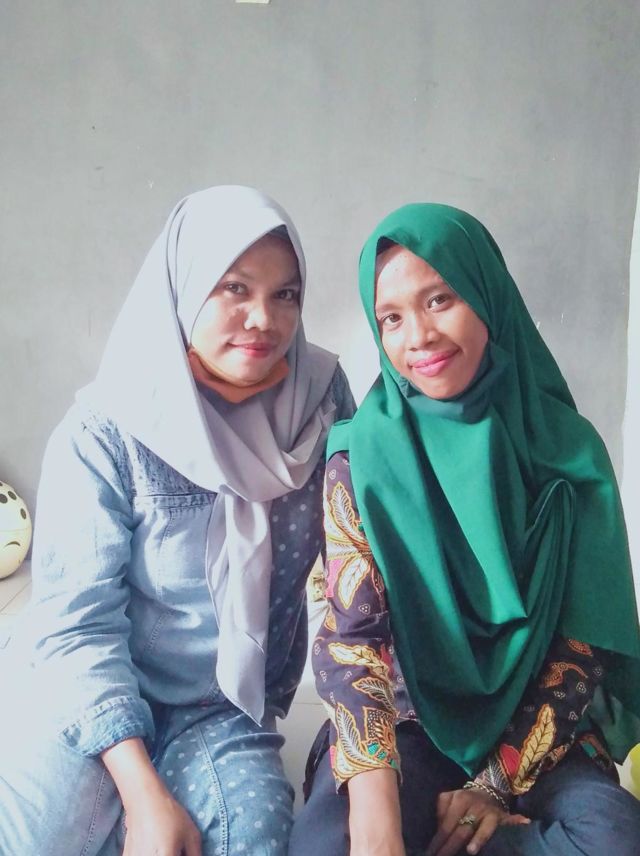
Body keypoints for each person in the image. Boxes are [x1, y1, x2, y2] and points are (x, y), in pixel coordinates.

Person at [0, 185, 354, 856]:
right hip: (92, 687)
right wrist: (143, 795)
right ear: (183, 287)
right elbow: (79, 626)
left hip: (220, 706)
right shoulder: (107, 429)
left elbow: (360, 558)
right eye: (234, 288)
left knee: (251, 841)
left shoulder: (321, 399)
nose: (263, 319)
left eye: (285, 294)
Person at [290, 203, 640, 856]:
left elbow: (582, 646)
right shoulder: (360, 456)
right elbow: (353, 643)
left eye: (439, 300)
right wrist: (375, 817)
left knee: (615, 839)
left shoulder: (570, 454)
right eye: (392, 318)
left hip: (543, 736)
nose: (418, 336)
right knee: (326, 844)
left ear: (486, 295)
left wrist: (495, 785)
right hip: (408, 722)